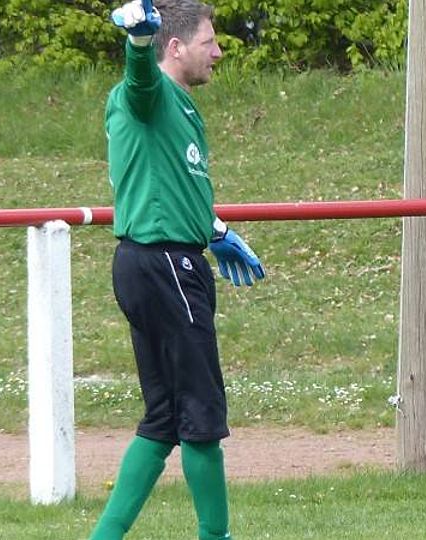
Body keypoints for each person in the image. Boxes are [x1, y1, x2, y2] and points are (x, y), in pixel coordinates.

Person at [90, 1, 265, 539]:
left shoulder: (180, 106)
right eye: (209, 42)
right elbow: (139, 82)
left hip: (157, 261)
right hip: (167, 264)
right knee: (201, 414)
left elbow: (172, 181)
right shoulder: (148, 94)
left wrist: (215, 231)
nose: (218, 52)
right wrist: (137, 41)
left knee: (164, 418)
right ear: (174, 47)